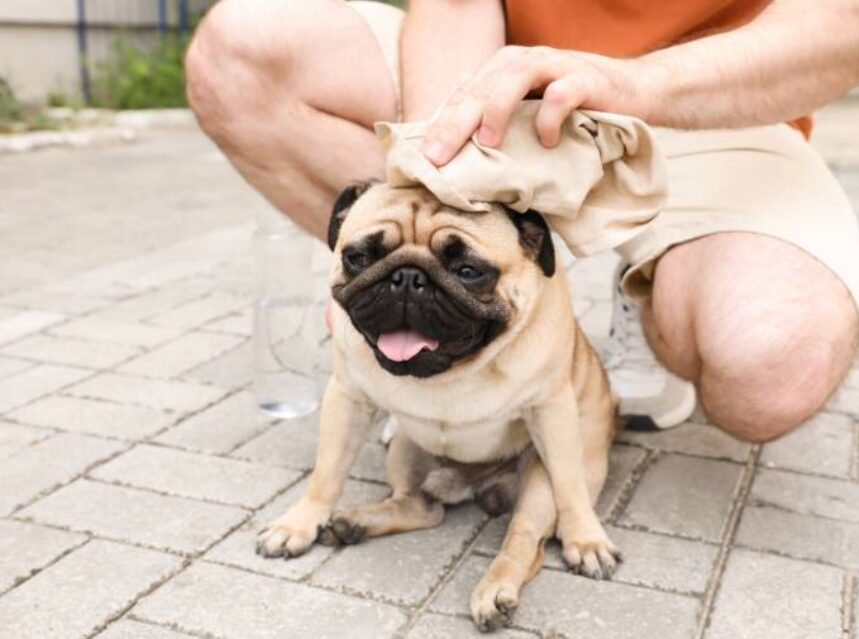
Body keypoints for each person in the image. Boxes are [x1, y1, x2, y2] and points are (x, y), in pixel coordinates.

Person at [185, 0, 859, 441]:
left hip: (711, 101)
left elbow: (837, 28)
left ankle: (647, 280)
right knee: (239, 50)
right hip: (504, 79)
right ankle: (466, 329)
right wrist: (438, 188)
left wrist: (631, 83)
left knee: (772, 368)